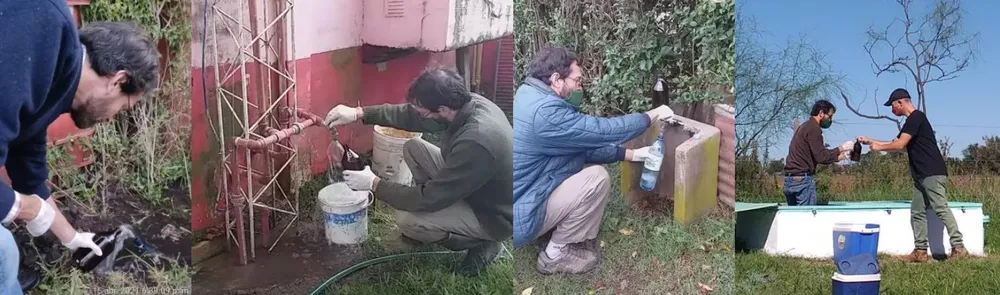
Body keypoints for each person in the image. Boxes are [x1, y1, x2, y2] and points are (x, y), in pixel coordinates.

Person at [0, 1, 161, 293]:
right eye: (123, 108)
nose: (112, 118)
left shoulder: (54, 83)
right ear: (118, 81)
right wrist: (26, 209)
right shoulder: (41, 24)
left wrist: (72, 237)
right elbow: (26, 202)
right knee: (3, 253)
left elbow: (29, 174)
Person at [322, 68, 513, 277]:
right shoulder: (463, 103)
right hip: (473, 184)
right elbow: (410, 115)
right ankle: (437, 218)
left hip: (492, 214)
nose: (419, 114)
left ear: (441, 109)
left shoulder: (477, 140)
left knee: (407, 219)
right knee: (414, 147)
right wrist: (358, 113)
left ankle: (484, 243)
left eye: (423, 111)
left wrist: (374, 184)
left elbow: (430, 197)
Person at [512, 46, 675, 275]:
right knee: (596, 178)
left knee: (579, 165)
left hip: (518, 200)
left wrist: (630, 155)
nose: (581, 87)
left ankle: (552, 231)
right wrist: (651, 116)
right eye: (577, 81)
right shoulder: (546, 114)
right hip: (521, 216)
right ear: (556, 80)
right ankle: (555, 254)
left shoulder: (528, 94)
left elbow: (576, 148)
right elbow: (602, 130)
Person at [856, 88, 968, 262]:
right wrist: (871, 141)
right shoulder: (912, 121)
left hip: (932, 172)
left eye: (893, 106)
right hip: (920, 174)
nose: (892, 110)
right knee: (917, 211)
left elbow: (900, 145)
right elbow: (895, 142)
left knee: (941, 208)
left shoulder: (916, 117)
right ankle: (920, 251)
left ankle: (959, 247)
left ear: (901, 102)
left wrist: (878, 148)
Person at [782, 100, 854, 206]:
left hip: (789, 180)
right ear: (821, 113)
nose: (830, 120)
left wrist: (841, 157)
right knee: (807, 218)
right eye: (829, 116)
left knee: (795, 219)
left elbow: (813, 156)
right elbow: (822, 157)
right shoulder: (814, 129)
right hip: (802, 180)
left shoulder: (804, 127)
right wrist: (842, 148)